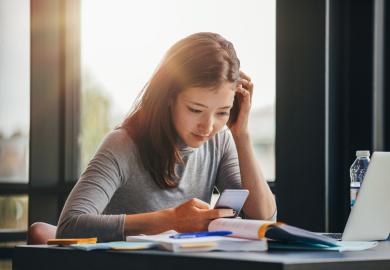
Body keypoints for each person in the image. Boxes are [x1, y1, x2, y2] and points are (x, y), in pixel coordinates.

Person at [56, 32, 277, 242]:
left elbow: (265, 219)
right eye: (195, 109)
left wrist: (242, 135)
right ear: (169, 97)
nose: (208, 126)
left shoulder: (220, 141)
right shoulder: (123, 144)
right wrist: (171, 220)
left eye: (222, 112)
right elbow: (69, 226)